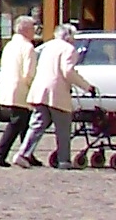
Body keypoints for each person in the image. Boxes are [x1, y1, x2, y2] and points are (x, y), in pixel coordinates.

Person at [0, 13, 42, 166]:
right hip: (21, 90)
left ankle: (27, 153)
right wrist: (34, 88)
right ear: (25, 29)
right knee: (17, 122)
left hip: (8, 88)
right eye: (33, 28)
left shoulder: (9, 45)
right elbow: (29, 73)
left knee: (24, 123)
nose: (35, 31)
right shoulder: (28, 47)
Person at [28, 20, 84, 168]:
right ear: (70, 36)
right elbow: (68, 72)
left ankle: (23, 153)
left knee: (37, 125)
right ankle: (63, 160)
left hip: (40, 90)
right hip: (56, 92)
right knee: (63, 128)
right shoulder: (69, 49)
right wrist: (86, 86)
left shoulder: (48, 46)